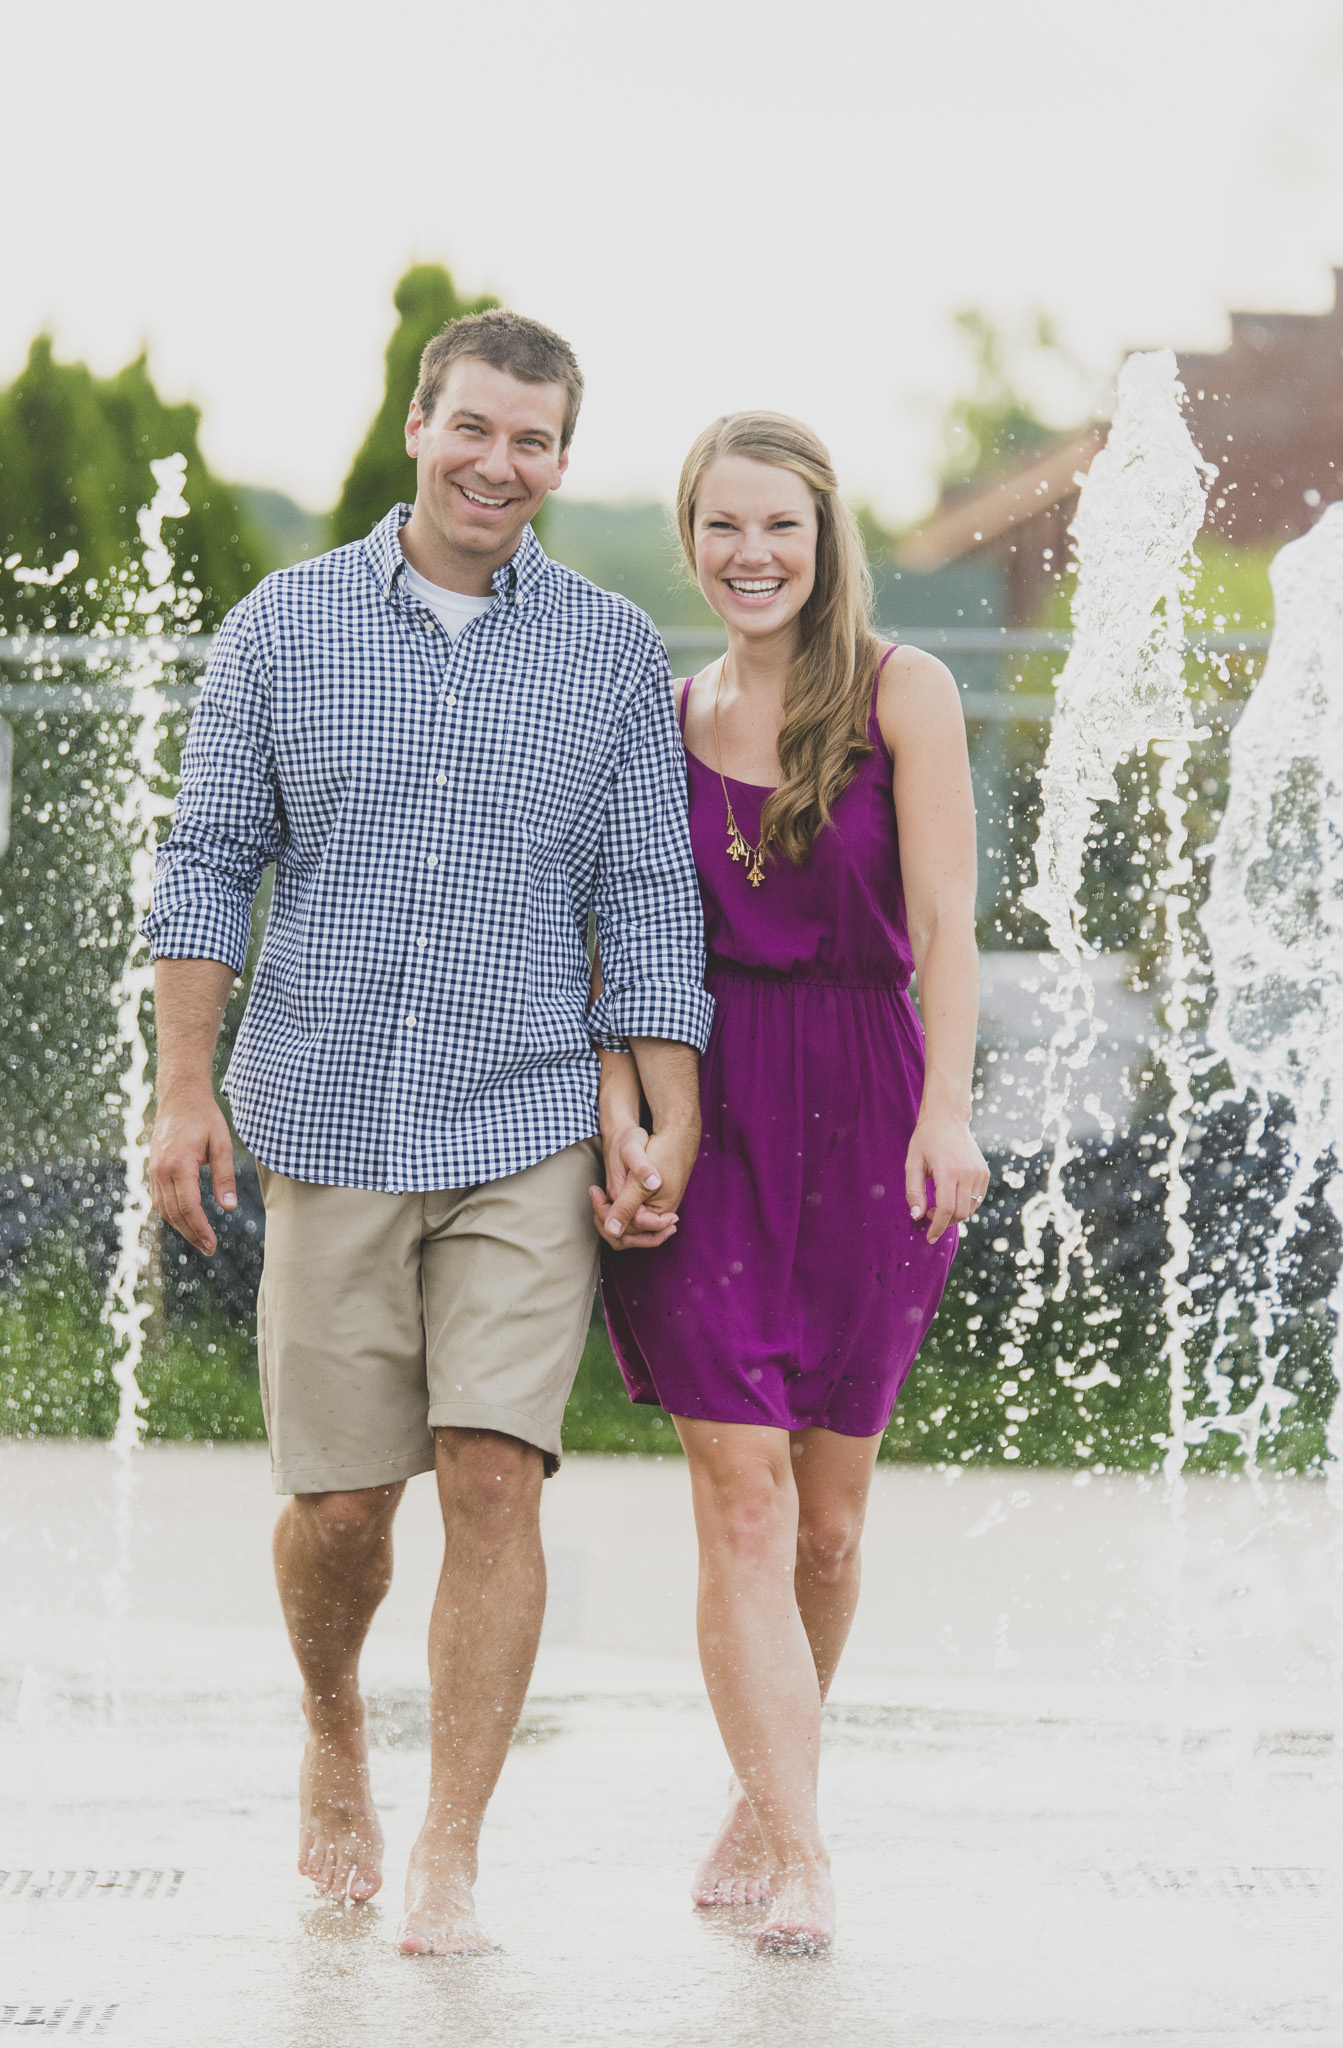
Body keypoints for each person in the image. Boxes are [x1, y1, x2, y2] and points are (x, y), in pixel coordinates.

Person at [145, 309, 712, 1956]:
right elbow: (203, 864)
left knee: (493, 1478)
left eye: (533, 440)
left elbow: (645, 899)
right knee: (341, 1509)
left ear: (559, 458)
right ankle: (334, 1732)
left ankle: (452, 1848)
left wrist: (658, 1112)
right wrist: (188, 1089)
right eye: (474, 427)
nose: (499, 463)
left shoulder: (606, 650)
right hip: (324, 1115)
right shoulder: (284, 628)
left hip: (527, 1118)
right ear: (418, 424)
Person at [592, 412, 988, 1954]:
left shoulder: (906, 693)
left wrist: (946, 1114)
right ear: (688, 538)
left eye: (780, 528)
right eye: (721, 528)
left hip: (871, 1110)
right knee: (740, 1499)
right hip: (714, 1110)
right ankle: (808, 1852)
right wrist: (627, 1114)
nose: (749, 556)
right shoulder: (663, 713)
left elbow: (948, 929)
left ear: (825, 543)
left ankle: (764, 1798)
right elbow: (627, 940)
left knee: (826, 1525)